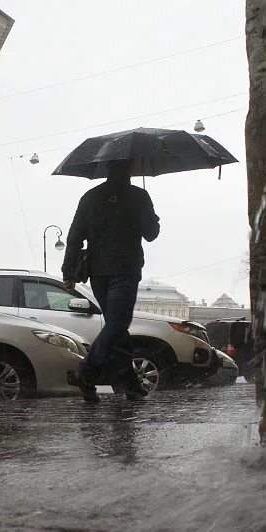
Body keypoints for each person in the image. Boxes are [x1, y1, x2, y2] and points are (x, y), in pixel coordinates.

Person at [62, 159, 160, 402]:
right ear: (130, 169)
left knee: (117, 329)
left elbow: (74, 236)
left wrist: (68, 271)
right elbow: (151, 234)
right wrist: (152, 218)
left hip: (98, 272)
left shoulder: (90, 197)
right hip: (125, 270)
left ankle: (131, 385)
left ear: (106, 169)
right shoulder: (138, 196)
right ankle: (86, 371)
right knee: (117, 325)